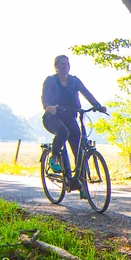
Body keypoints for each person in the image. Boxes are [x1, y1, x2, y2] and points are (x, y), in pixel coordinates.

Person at [42, 55, 106, 192]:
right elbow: (45, 97)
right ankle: (53, 157)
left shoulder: (74, 81)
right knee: (63, 132)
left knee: (79, 149)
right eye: (62, 64)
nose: (65, 66)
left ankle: (81, 185)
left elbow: (86, 92)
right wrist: (48, 107)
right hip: (52, 117)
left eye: (67, 63)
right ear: (56, 66)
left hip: (70, 116)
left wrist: (97, 105)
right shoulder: (51, 81)